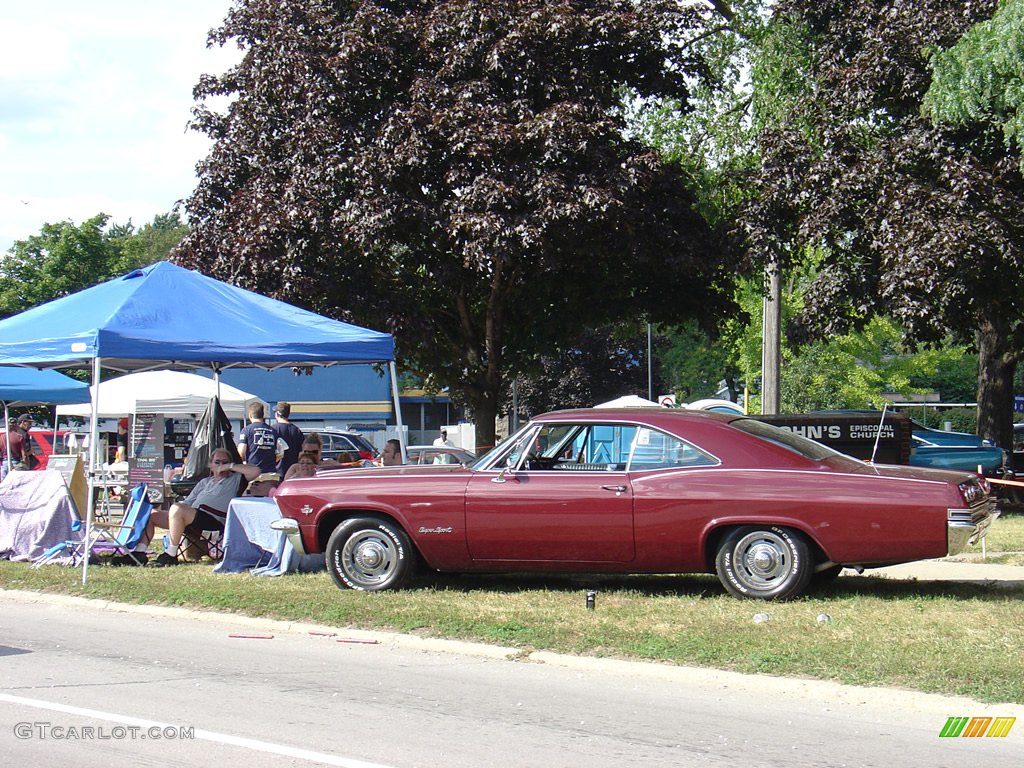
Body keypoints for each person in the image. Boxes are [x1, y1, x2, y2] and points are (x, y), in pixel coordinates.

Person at [149, 448, 260, 566]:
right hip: (192, 518)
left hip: (213, 521)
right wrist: (172, 513)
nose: (221, 465)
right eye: (217, 462)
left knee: (177, 509)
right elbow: (187, 503)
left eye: (225, 462)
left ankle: (170, 555)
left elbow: (256, 471)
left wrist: (230, 466)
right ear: (210, 465)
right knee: (151, 514)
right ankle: (138, 553)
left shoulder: (235, 479)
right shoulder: (205, 482)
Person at [237, 402, 286, 474]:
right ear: (263, 415)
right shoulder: (273, 431)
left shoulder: (246, 430)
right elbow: (281, 453)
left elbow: (241, 454)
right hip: (271, 473)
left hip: (253, 473)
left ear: (250, 415)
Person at [272, 401, 304, 477]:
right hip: (293, 472)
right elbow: (301, 452)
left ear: (277, 414)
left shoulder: (272, 430)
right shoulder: (296, 430)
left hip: (276, 472)